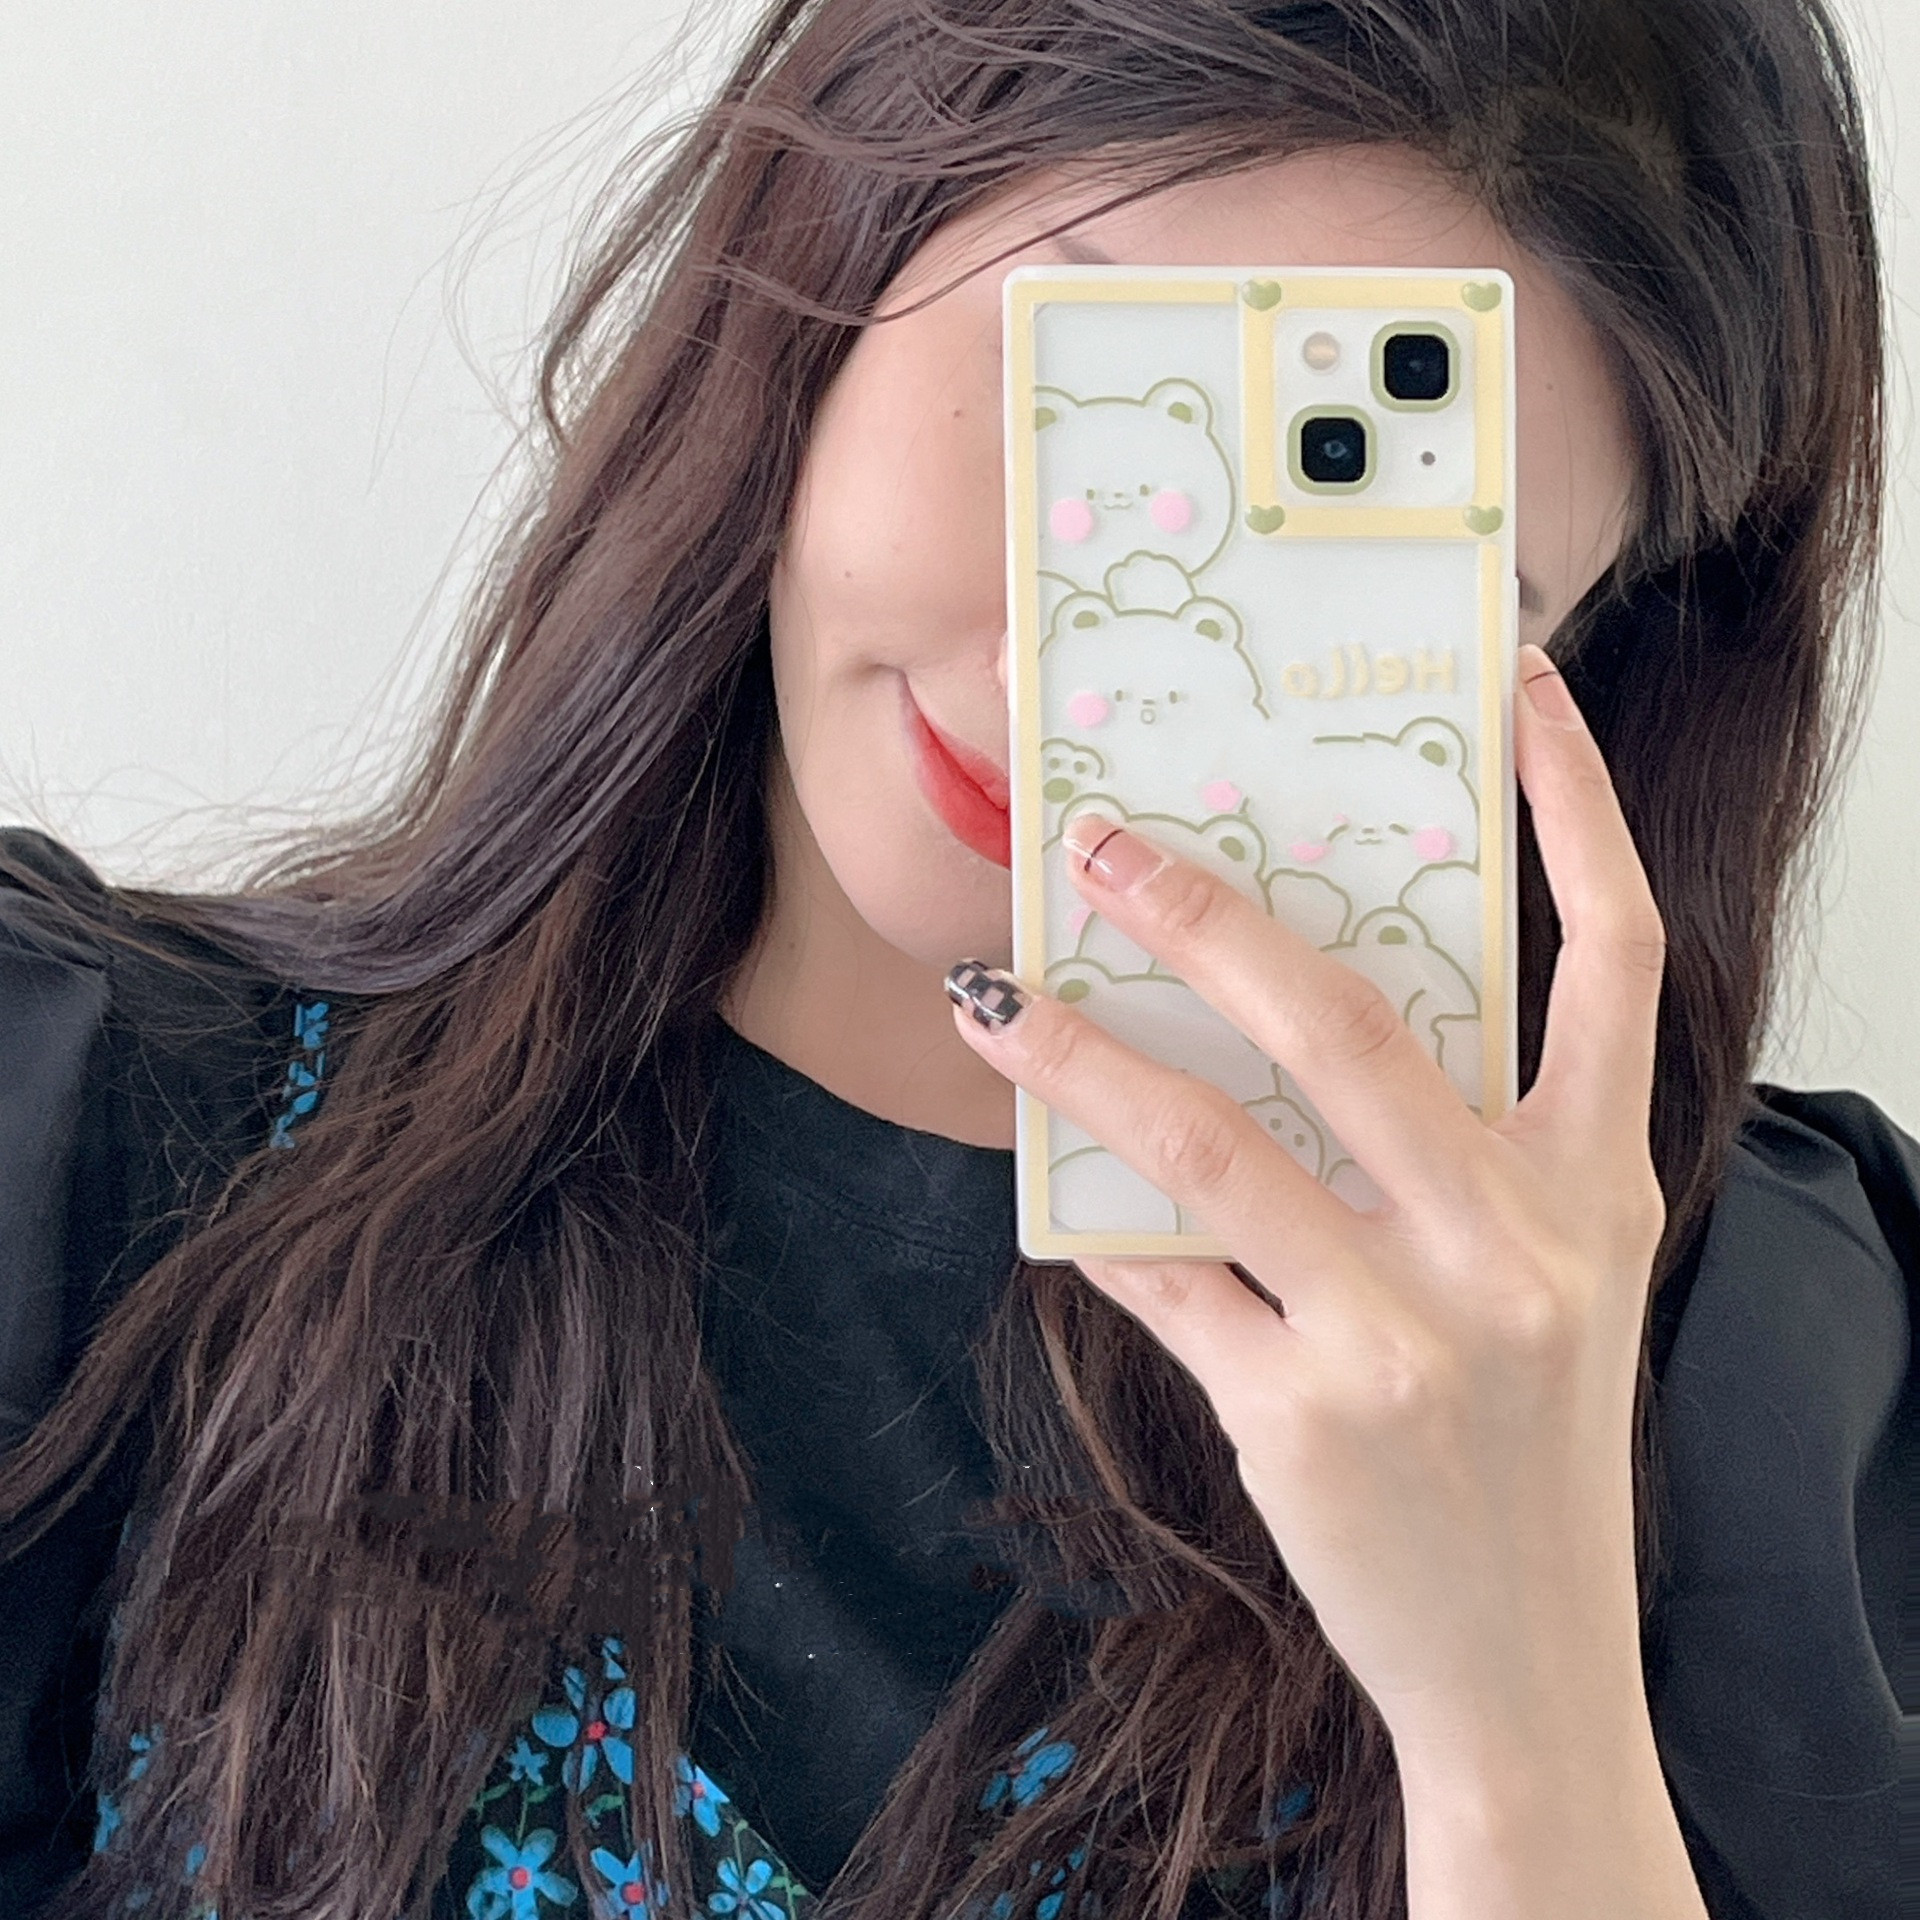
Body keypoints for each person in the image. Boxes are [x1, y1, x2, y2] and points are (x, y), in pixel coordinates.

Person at [0, 2, 1910, 1916]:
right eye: (1088, 402)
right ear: (827, 256)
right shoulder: (94, 1140)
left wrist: (1525, 1722)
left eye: (1364, 571)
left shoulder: (1781, 1369)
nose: (1056, 667)